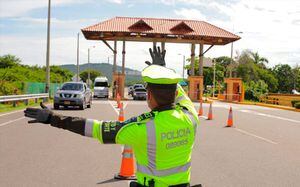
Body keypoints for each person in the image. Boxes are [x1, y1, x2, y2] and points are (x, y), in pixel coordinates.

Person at [24, 47, 200, 187]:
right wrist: (163, 71)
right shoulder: (190, 116)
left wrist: (52, 118)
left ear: (149, 96)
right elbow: (177, 92)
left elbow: (93, 128)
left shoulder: (142, 129)